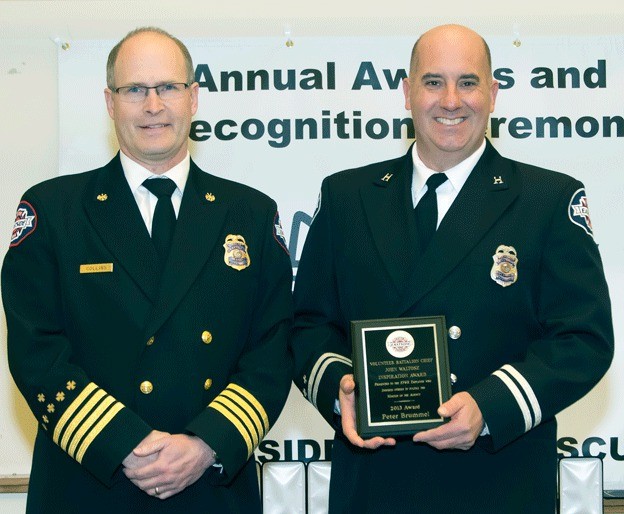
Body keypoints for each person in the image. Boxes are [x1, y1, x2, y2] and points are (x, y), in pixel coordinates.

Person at [290, 24, 614, 513]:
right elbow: (308, 326)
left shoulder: (547, 201)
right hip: (376, 483)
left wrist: (490, 405)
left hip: (498, 480)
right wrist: (342, 387)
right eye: (433, 81)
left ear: (493, 93)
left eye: (468, 82)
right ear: (406, 92)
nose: (451, 100)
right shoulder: (346, 198)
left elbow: (584, 340)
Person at [2, 27, 293, 514]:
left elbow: (273, 351)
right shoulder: (54, 211)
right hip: (90, 484)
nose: (153, 105)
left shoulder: (250, 215)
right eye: (134, 90)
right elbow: (37, 352)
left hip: (210, 487)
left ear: (194, 97)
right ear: (110, 103)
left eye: (168, 88)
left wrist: (204, 444)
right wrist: (126, 444)